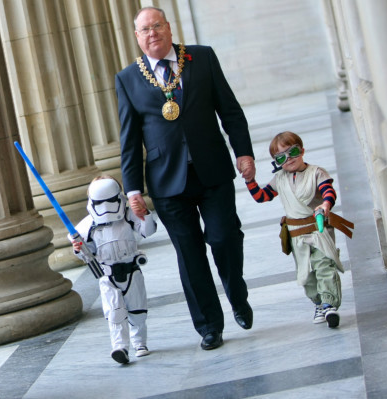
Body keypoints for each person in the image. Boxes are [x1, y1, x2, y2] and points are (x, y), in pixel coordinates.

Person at [115, 6, 255, 350]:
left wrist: (244, 152)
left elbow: (230, 109)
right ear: (137, 37)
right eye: (144, 30)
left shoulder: (202, 58)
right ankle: (209, 326)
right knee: (190, 255)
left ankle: (236, 294)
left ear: (169, 28)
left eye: (157, 26)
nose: (152, 33)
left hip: (212, 170)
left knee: (224, 238)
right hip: (166, 182)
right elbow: (129, 139)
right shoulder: (128, 79)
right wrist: (133, 189)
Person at [245, 131, 353, 328]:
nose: (289, 159)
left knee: (324, 266)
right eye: (281, 157)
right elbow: (262, 196)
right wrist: (250, 180)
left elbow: (328, 191)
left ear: (302, 150)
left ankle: (330, 305)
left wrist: (325, 205)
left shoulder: (317, 172)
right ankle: (318, 303)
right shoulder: (279, 179)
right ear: (276, 162)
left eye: (293, 151)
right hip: (297, 236)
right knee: (306, 275)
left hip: (319, 230)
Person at [69, 175, 157, 364]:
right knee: (115, 313)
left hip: (131, 268)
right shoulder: (87, 226)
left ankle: (139, 342)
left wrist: (145, 215)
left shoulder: (127, 216)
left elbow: (147, 231)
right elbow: (87, 253)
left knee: (137, 309)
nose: (106, 206)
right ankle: (120, 347)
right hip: (107, 274)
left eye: (110, 200)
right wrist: (78, 248)